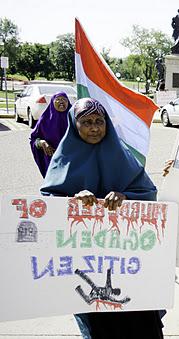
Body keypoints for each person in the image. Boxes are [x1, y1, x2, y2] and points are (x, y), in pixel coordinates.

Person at [40, 98, 163, 339]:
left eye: (99, 121)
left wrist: (125, 196)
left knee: (142, 326)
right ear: (75, 126)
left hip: (129, 267)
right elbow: (47, 203)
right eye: (86, 122)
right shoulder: (63, 160)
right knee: (99, 329)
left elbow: (149, 195)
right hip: (85, 270)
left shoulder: (123, 156)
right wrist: (73, 202)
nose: (94, 128)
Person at [29, 92, 70, 178]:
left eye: (64, 99)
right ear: (52, 102)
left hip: (71, 161)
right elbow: (34, 138)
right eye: (58, 99)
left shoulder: (74, 118)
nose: (61, 101)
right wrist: (42, 142)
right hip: (52, 161)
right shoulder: (45, 120)